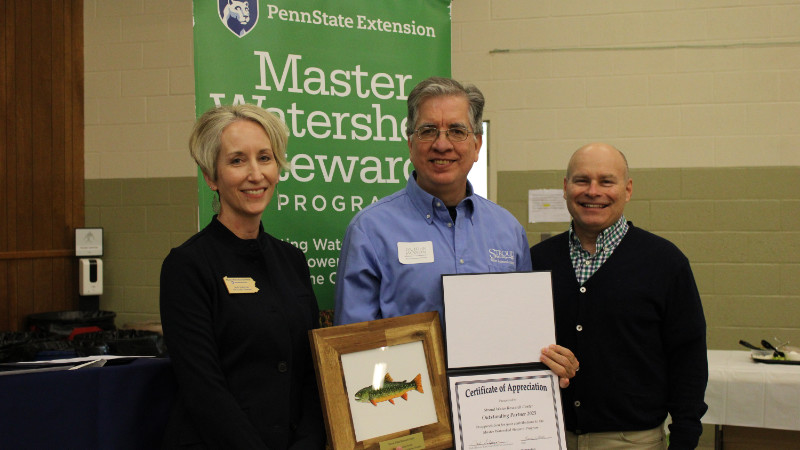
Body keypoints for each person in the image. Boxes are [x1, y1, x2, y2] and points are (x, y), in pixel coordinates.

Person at [334, 77, 578, 384]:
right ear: (411, 144)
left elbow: (523, 334)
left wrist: (545, 371)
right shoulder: (370, 231)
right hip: (410, 416)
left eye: (457, 131)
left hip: (496, 414)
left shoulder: (508, 230)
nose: (442, 143)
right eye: (428, 130)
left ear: (477, 145)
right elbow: (354, 347)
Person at [159, 104, 325, 449]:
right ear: (211, 176)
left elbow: (311, 371)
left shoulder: (292, 260)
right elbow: (203, 388)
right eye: (237, 161)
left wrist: (309, 442)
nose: (255, 174)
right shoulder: (188, 266)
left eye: (265, 158)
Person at [530, 143, 708, 449]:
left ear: (627, 190)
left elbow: (688, 357)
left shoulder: (665, 262)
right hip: (546, 434)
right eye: (582, 180)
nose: (593, 191)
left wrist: (685, 436)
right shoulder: (537, 260)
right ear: (565, 187)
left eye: (606, 181)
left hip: (632, 440)